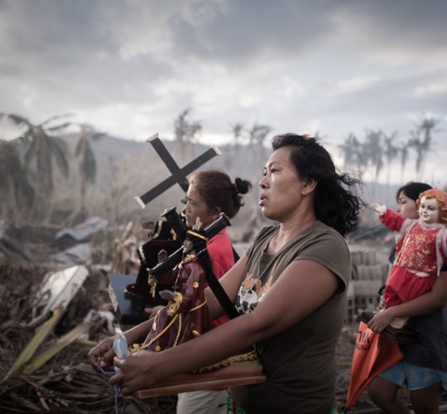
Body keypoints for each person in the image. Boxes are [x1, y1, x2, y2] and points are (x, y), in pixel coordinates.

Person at [88, 133, 365, 414]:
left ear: (308, 183)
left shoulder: (325, 246)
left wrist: (160, 365)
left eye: (275, 171)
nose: (262, 181)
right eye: (264, 172)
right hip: (242, 401)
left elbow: (258, 324)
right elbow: (208, 302)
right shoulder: (264, 239)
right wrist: (131, 336)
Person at [144, 169, 252, 414]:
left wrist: (169, 309)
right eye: (186, 202)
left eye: (193, 203)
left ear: (215, 213)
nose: (185, 210)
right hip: (200, 350)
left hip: (210, 357)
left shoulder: (213, 251)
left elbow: (203, 306)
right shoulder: (207, 244)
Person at [362, 182, 447, 414]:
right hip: (398, 336)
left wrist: (391, 313)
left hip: (428, 338)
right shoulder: (403, 242)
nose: (398, 209)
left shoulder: (443, 245)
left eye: (403, 202)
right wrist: (385, 300)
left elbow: (438, 298)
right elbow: (394, 282)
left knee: (424, 406)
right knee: (379, 392)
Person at [370, 188, 447, 328]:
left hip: (420, 276)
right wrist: (384, 212)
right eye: (422, 206)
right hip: (401, 270)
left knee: (408, 297)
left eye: (431, 208)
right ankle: (385, 311)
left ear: (441, 211)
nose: (425, 211)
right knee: (391, 291)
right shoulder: (410, 226)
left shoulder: (442, 235)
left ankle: (398, 317)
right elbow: (396, 221)